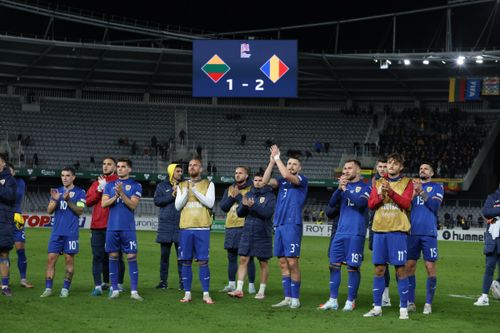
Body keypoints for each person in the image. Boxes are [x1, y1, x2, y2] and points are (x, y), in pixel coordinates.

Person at [364, 153, 413, 320]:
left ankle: (403, 309)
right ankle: (377, 307)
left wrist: (390, 193)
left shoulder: (407, 182)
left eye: (395, 163)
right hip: (379, 230)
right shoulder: (377, 182)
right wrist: (380, 195)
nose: (391, 166)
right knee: (379, 269)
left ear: (401, 167)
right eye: (389, 163)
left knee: (400, 269)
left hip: (398, 231)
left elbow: (406, 203)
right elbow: (371, 204)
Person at [318, 160, 371, 311]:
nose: (346, 171)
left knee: (353, 268)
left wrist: (346, 189)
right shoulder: (344, 188)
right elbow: (332, 205)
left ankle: (350, 301)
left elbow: (360, 203)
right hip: (340, 232)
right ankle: (333, 300)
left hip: (355, 232)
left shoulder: (366, 187)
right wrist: (339, 189)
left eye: (350, 168)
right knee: (333, 266)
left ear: (358, 171)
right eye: (345, 169)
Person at [263, 145, 308, 309]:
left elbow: (286, 175)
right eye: (289, 164)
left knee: (292, 262)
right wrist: (271, 163)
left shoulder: (302, 181)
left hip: (292, 224)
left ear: (300, 167)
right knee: (282, 262)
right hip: (279, 224)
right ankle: (287, 297)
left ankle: (296, 299)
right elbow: (265, 181)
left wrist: (277, 158)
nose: (291, 166)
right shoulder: (282, 182)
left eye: (294, 164)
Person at [228, 172, 276, 299]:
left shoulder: (270, 196)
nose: (257, 182)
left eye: (260, 180)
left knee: (263, 262)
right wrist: (243, 206)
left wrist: (253, 205)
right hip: (248, 231)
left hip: (263, 233)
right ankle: (239, 289)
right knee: (243, 259)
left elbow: (267, 213)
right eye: (255, 180)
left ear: (265, 182)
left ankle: (261, 291)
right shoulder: (248, 194)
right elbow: (240, 214)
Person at [40, 167, 86, 298]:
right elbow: (49, 211)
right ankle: (48, 288)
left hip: (71, 233)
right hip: (56, 232)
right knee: (51, 259)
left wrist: (67, 201)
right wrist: (55, 200)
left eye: (67, 175)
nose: (64, 178)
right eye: (62, 175)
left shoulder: (80, 192)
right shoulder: (57, 191)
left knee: (69, 260)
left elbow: (80, 211)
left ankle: (65, 289)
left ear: (73, 177)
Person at [102, 158, 143, 301]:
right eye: (118, 166)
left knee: (131, 257)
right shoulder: (109, 185)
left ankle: (134, 291)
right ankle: (114, 290)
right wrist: (116, 195)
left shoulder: (136, 185)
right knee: (113, 257)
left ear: (129, 169)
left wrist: (122, 193)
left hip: (128, 228)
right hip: (112, 227)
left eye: (123, 166)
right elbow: (104, 203)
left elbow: (132, 205)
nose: (119, 169)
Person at [175, 158, 215, 304]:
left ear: (201, 168)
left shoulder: (209, 184)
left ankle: (206, 293)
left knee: (203, 261)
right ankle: (187, 294)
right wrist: (186, 192)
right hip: (185, 227)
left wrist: (194, 192)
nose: (192, 167)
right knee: (186, 261)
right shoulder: (181, 185)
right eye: (190, 165)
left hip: (202, 227)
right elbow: (177, 206)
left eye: (195, 165)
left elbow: (210, 203)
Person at [406, 163, 444, 314]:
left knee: (430, 267)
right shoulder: (412, 188)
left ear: (432, 173)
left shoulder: (437, 187)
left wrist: (421, 192)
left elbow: (434, 205)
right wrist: (413, 194)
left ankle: (428, 303)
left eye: (426, 168)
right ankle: (410, 302)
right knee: (409, 267)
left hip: (429, 233)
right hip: (412, 232)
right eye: (420, 168)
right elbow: (404, 205)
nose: (422, 170)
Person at [86, 157, 125, 296]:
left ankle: (118, 284)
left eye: (109, 164)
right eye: (104, 164)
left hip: (113, 225)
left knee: (116, 256)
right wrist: (99, 189)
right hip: (97, 225)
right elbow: (88, 201)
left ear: (115, 167)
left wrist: (106, 189)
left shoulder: (119, 183)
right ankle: (98, 286)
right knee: (98, 256)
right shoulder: (96, 183)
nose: (105, 166)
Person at [219, 166, 256, 293]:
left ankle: (251, 285)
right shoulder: (229, 188)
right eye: (236, 173)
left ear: (246, 175)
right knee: (231, 256)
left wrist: (237, 196)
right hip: (230, 226)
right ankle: (231, 284)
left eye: (240, 173)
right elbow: (223, 207)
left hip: (246, 226)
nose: (237, 175)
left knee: (248, 257)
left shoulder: (252, 189)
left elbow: (250, 206)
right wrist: (231, 197)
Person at [153, 163, 184, 290]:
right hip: (165, 225)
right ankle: (163, 282)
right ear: (171, 172)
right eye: (178, 171)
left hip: (181, 224)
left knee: (181, 257)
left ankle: (183, 283)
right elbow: (157, 201)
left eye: (181, 171)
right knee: (164, 257)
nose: (180, 173)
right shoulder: (161, 186)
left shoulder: (185, 185)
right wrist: (172, 195)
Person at [368, 158, 392, 307]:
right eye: (380, 166)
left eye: (385, 166)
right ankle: (384, 296)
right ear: (376, 168)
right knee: (380, 263)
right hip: (375, 225)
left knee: (392, 263)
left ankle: (387, 297)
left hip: (390, 226)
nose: (382, 169)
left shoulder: (392, 183)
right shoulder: (374, 181)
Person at [474, 181, 500, 306]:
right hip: (492, 238)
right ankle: (484, 297)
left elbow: (492, 212)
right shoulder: (493, 197)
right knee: (490, 266)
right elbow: (487, 212)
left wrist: (496, 212)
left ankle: (497, 283)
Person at [8, 163, 33, 288]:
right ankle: (4, 281)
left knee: (20, 249)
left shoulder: (20, 182)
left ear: (13, 172)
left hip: (17, 217)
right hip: (3, 218)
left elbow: (14, 196)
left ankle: (23, 279)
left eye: (10, 171)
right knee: (3, 251)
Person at [0, 154, 16, 296]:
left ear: (3, 163)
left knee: (4, 252)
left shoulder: (9, 179)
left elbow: (10, 196)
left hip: (3, 221)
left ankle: (5, 286)